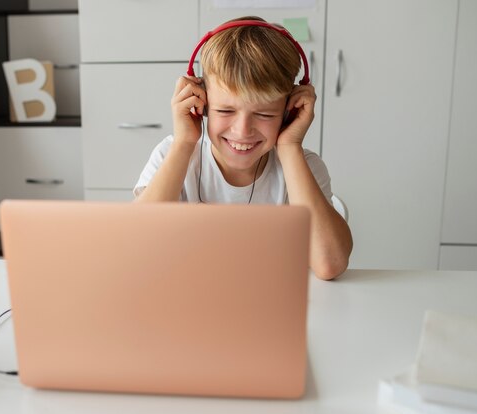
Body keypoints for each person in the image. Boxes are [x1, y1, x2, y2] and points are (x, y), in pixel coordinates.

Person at [134, 16, 352, 280]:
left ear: (288, 112)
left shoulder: (303, 166)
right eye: (225, 110)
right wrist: (183, 143)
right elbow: (137, 248)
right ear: (201, 105)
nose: (242, 131)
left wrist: (290, 147)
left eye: (265, 114)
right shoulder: (173, 153)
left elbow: (329, 264)